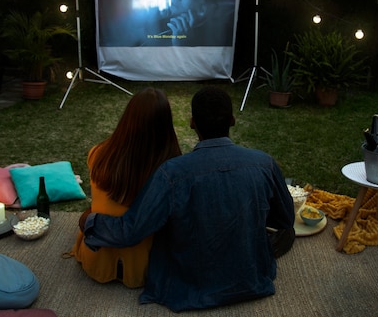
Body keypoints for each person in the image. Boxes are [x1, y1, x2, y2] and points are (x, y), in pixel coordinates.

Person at [79, 86, 295, 312]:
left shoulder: (171, 174)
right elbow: (285, 220)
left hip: (189, 289)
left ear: (192, 123)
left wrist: (89, 221)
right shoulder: (264, 164)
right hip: (252, 279)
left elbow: (131, 230)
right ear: (232, 120)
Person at [70, 87, 182, 288]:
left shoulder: (97, 154)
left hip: (96, 261)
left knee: (92, 212)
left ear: (127, 118)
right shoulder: (171, 168)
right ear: (166, 124)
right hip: (145, 267)